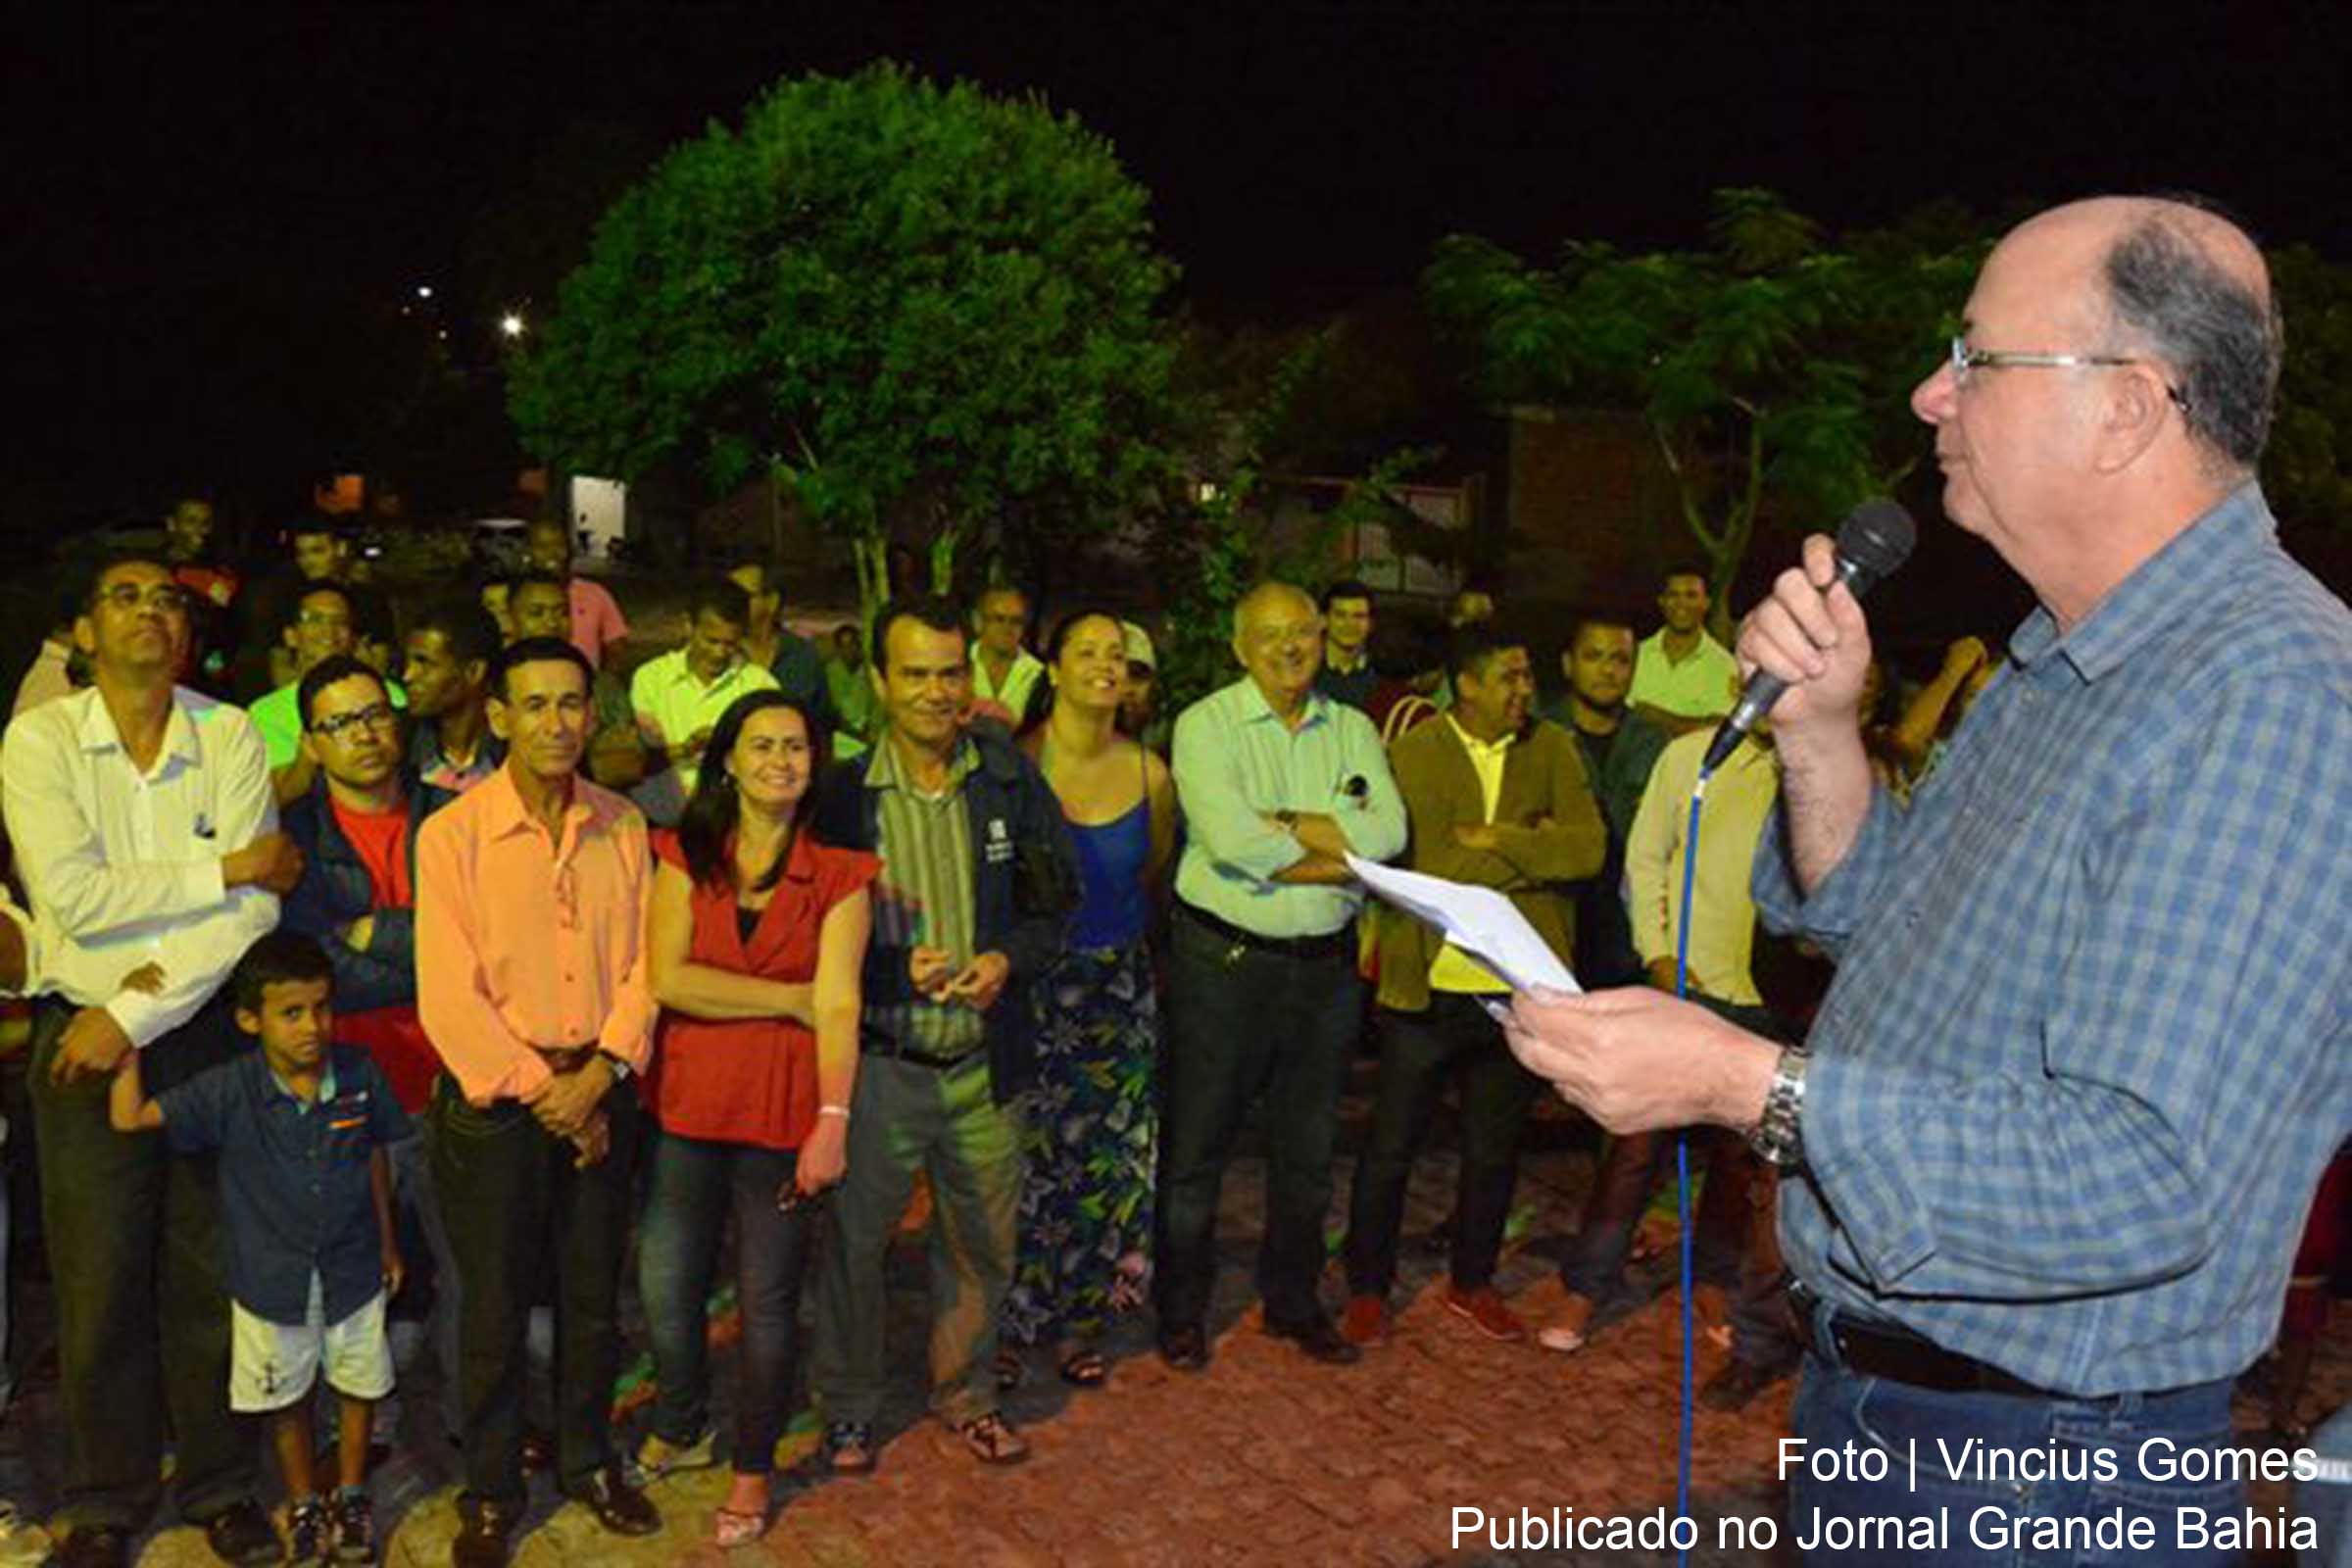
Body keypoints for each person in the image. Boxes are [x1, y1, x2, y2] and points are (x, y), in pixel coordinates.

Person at [1502, 196, 2350, 1556]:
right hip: (1888, 1407)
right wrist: (1823, 733)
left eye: (1975, 358)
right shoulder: (2056, 663)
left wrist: (1740, 1084)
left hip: (2045, 1465)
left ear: (2127, 408)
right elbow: (1884, 926)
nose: (1928, 394)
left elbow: (2143, 1180)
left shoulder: (2271, 701)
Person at [3, 552, 300, 1568]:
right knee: (98, 1276)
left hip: (200, 1033)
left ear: (190, 630)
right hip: (75, 1039)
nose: (149, 612)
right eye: (123, 596)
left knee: (211, 1268)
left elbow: (258, 913)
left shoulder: (230, 734)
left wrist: (133, 1012)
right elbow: (73, 899)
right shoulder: (40, 739)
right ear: (83, 630)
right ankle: (106, 1495)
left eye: (167, 598)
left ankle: (220, 1482)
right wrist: (217, 868)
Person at [808, 595, 1078, 1474]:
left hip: (983, 1058)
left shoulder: (1006, 778)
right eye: (915, 673)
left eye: (950, 672)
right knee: (854, 1246)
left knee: (981, 1244)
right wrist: (890, 971)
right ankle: (848, 1408)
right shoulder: (841, 796)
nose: (935, 691)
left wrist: (1006, 958)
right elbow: (805, 937)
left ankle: (966, 1395)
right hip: (883, 1062)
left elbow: (1055, 907)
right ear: (879, 682)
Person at [416, 635, 662, 1565]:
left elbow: (646, 967)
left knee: (594, 1294)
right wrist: (549, 1094)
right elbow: (449, 995)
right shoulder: (454, 835)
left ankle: (588, 1460)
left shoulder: (624, 826)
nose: (557, 723)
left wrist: (600, 1076)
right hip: (496, 1106)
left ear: (591, 714)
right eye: (537, 704)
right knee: (494, 1303)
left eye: (572, 703)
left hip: (601, 1088)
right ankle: (489, 1486)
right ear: (499, 715)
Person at [638, 691, 875, 1546]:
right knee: (668, 1287)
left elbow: (841, 1005)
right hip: (687, 1104)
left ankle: (751, 1469)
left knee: (769, 1305)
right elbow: (668, 979)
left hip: (783, 1113)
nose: (781, 760)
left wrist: (834, 1118)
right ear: (727, 760)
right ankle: (679, 1416)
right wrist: (788, 999)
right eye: (762, 744)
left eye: (798, 748)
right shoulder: (682, 855)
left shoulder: (843, 876)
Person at [1158, 581, 1407, 1370]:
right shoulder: (1206, 724)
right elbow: (1233, 843)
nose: (1291, 647)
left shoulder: (1354, 727)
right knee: (1198, 1146)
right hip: (1223, 965)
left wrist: (1289, 828)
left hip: (1324, 974)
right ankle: (1182, 1308)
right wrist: (1343, 861)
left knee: (1307, 1153)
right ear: (1240, 646)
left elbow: (1390, 835)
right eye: (1271, 635)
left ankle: (1292, 1301)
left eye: (1303, 631)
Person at [108, 933, 411, 1565]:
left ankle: (352, 1497)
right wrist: (126, 1035)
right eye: (291, 1013)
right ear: (251, 1020)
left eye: (322, 1009)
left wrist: (387, 1242)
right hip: (271, 1284)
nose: (312, 1028)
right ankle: (303, 1503)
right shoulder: (228, 1090)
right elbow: (130, 1119)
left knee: (359, 1386)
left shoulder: (358, 1075)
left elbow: (375, 1156)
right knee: (287, 1396)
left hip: (354, 1270)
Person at [1340, 624, 1602, 1348]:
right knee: (1390, 1147)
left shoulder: (1550, 748)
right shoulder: (1415, 752)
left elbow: (1585, 849)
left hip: (1513, 992)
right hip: (1424, 988)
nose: (1526, 690)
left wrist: (1501, 840)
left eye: (1527, 677)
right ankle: (1367, 1287)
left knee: (1494, 1150)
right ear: (1468, 685)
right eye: (1511, 677)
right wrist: (1524, 848)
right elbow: (1422, 862)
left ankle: (1473, 1281)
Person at [1541, 674, 1795, 1412]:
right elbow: (1645, 858)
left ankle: (1711, 1279)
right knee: (1635, 1146)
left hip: (1767, 994)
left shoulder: (1809, 771)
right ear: (1737, 678)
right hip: (1685, 980)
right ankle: (1586, 1287)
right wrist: (1656, 954)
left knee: (1736, 1160)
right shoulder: (1693, 757)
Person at [278, 653, 465, 1444]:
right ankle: (360, 1421)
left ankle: (474, 1415)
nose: (364, 734)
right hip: (346, 1082)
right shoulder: (292, 836)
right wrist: (427, 952)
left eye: (376, 714)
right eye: (340, 722)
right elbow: (313, 969)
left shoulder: (456, 818)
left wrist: (374, 932)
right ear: (312, 744)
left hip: (453, 1074)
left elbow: (486, 949)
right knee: (350, 1265)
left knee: (467, 1263)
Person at [999, 609, 1177, 1387]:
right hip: (1033, 987)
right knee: (1024, 1160)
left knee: (1109, 1163)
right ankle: (1008, 1321)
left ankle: (1079, 1320)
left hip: (1119, 988)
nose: (1107, 666)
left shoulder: (1152, 773)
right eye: (1088, 652)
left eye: (1121, 655)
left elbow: (1154, 878)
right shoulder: (1012, 766)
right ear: (1054, 667)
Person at [1543, 614, 1669, 989]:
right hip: (1555, 923)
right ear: (1569, 664)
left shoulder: (1652, 743)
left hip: (1625, 934)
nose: (1608, 670)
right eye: (1594, 656)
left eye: (1620, 660)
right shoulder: (1539, 735)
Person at [250, 582, 407, 802]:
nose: (328, 632)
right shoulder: (265, 713)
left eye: (340, 622)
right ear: (291, 636)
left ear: (353, 637)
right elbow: (275, 794)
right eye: (315, 620)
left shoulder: (391, 695)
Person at [630, 578, 779, 803]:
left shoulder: (760, 685)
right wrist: (685, 750)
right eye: (711, 641)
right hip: (664, 809)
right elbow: (638, 759)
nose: (719, 653)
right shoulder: (651, 679)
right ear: (689, 626)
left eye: (730, 644)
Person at [507, 569, 648, 793]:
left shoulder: (602, 687)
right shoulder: (490, 685)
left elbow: (627, 765)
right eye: (537, 613)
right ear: (510, 618)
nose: (551, 623)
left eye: (561, 612)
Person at [402, 596, 506, 794]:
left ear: (474, 671)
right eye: (408, 662)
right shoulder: (400, 747)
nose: (408, 676)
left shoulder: (516, 752)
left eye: (424, 663)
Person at [728, 557, 839, 735]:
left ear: (771, 601)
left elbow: (823, 726)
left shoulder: (803, 657)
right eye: (726, 596)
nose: (730, 604)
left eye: (741, 596)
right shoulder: (720, 656)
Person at [1625, 566, 1739, 736]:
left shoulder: (1725, 665)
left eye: (1691, 595)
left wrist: (1655, 716)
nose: (1681, 603)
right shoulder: (1635, 656)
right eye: (1673, 595)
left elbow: (1720, 731)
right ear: (1661, 601)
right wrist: (1697, 723)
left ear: (1706, 603)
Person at [523, 517, 629, 669]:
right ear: (528, 552)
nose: (552, 553)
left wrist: (603, 680)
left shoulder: (595, 594)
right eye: (542, 546)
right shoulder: (517, 595)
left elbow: (616, 644)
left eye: (558, 544)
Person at [968, 585, 1045, 722]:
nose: (1007, 628)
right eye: (999, 619)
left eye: (1016, 621)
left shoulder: (1037, 674)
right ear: (978, 621)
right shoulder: (958, 664)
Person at [1314, 579, 1378, 711]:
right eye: (1340, 615)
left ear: (1371, 624)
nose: (1350, 624)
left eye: (1359, 616)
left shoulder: (1381, 678)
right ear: (1323, 620)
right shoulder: (1305, 674)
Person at [824, 623, 878, 760]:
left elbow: (877, 706)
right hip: (840, 738)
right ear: (838, 648)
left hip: (870, 737)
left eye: (853, 645)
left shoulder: (871, 673)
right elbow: (830, 710)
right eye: (844, 646)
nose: (849, 651)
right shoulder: (829, 674)